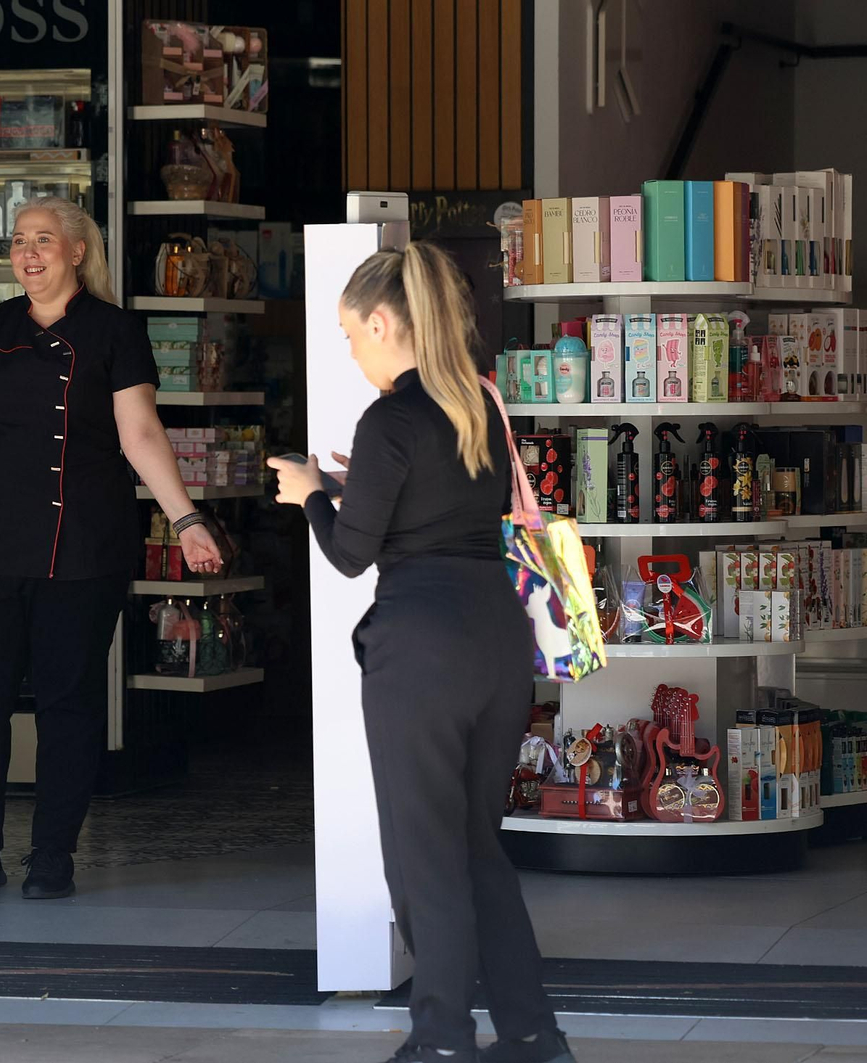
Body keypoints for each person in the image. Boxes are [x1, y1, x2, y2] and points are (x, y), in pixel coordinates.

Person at [0, 197, 224, 900]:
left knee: (68, 704)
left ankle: (53, 856)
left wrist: (186, 519)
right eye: (19, 241)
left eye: (43, 240)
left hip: (84, 546)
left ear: (77, 251)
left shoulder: (115, 332)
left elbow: (140, 435)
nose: (28, 253)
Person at [267, 243, 574, 1063]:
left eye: (350, 335)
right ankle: (534, 1033)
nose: (352, 351)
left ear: (381, 320)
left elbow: (349, 556)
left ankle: (441, 1034)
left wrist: (307, 496)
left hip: (420, 648)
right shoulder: (478, 399)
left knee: (423, 849)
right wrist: (345, 488)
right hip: (497, 638)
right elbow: (448, 509)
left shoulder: (389, 419)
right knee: (477, 844)